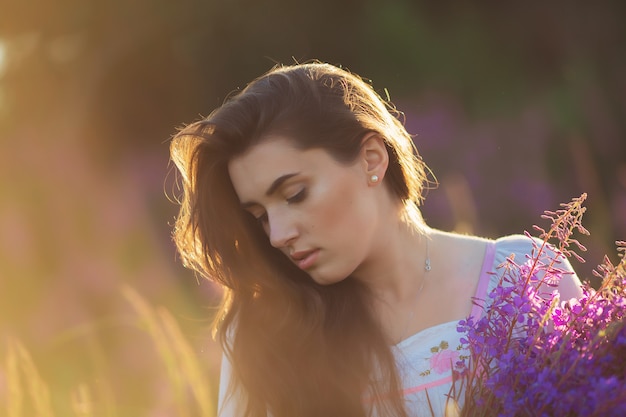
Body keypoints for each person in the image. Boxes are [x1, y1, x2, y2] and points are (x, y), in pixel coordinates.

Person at [169, 62, 583, 417]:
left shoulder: (526, 279)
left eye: (295, 195)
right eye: (259, 216)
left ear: (372, 159)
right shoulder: (264, 330)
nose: (277, 235)